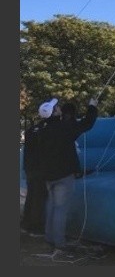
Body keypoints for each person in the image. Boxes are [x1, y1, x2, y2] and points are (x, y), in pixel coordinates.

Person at [38, 97, 99, 255]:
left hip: (47, 175)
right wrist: (92, 107)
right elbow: (87, 124)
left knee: (51, 206)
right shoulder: (64, 127)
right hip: (63, 175)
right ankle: (60, 243)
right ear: (54, 112)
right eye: (56, 107)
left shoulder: (41, 130)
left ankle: (49, 238)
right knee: (60, 209)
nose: (59, 108)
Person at [20, 98, 58, 237]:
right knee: (39, 198)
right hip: (41, 169)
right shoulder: (48, 131)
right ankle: (35, 227)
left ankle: (26, 223)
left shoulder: (32, 129)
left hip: (30, 168)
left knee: (31, 196)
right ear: (52, 113)